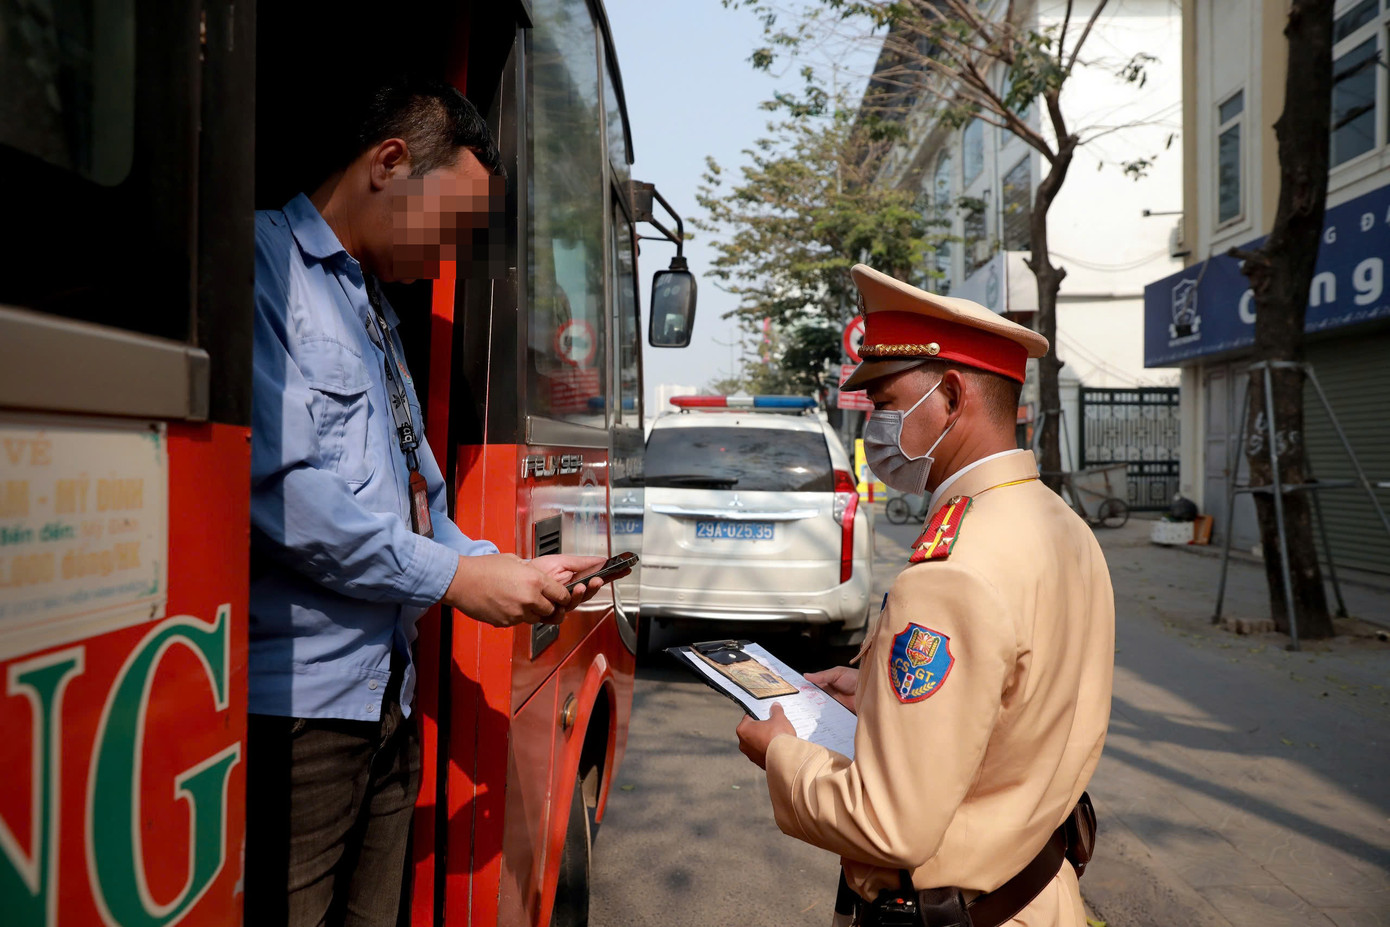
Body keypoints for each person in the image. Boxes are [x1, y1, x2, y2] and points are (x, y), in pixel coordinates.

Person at [246, 76, 617, 926]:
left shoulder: (375, 310)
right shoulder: (264, 265)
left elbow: (418, 507)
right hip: (298, 715)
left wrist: (503, 569)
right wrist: (453, 580)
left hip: (387, 700)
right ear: (388, 162)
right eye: (448, 227)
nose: (448, 258)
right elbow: (281, 493)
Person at [735, 264, 1115, 927]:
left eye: (884, 403)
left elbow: (888, 826)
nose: (874, 425)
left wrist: (781, 753)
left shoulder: (951, 569)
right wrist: (876, 694)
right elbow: (1017, 703)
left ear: (951, 394)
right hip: (1038, 890)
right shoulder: (1064, 526)